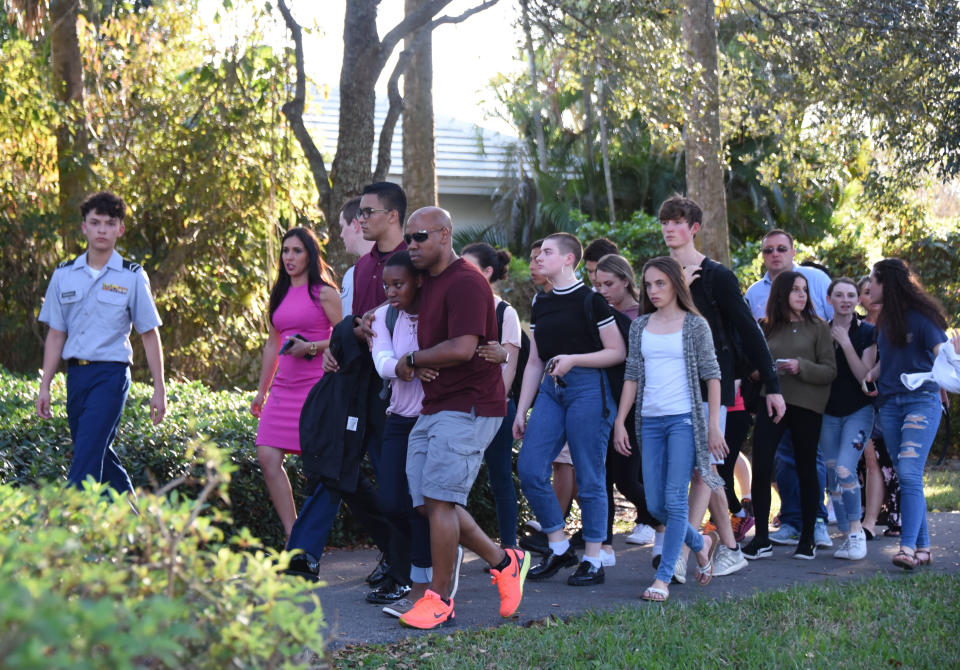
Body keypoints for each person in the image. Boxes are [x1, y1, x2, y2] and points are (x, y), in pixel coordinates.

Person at [397, 207, 529, 629]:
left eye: (419, 237)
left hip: (470, 404)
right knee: (428, 502)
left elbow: (462, 347)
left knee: (439, 501)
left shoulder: (467, 281)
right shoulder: (428, 281)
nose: (412, 245)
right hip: (436, 404)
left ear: (444, 234)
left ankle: (440, 600)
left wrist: (413, 359)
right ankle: (503, 561)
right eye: (408, 238)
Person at [658, 195, 785, 579]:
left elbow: (749, 331)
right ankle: (728, 546)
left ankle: (682, 550)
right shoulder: (661, 272)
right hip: (672, 384)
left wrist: (773, 385)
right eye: (665, 221)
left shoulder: (718, 277)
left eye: (677, 221)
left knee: (703, 470)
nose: (669, 228)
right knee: (700, 471)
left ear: (694, 228)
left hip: (716, 384)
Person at [286, 183, 408, 583]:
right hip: (356, 387)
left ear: (391, 215)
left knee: (393, 486)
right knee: (338, 471)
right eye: (359, 215)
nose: (360, 221)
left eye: (367, 213)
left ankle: (407, 565)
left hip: (402, 391)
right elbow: (351, 324)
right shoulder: (359, 270)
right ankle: (390, 556)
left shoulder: (414, 261)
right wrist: (334, 346)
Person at [514, 232, 627, 586]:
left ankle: (593, 559)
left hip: (588, 389)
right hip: (550, 388)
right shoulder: (540, 302)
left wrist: (574, 359)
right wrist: (521, 410)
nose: (538, 258)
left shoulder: (591, 301)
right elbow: (534, 361)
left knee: (591, 476)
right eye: (538, 252)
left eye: (547, 252)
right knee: (530, 467)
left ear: (567, 260)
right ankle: (559, 546)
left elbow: (616, 352)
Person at [36, 191, 166, 497]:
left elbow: (149, 332)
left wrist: (160, 389)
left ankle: (68, 529)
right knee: (96, 454)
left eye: (110, 223)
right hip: (76, 377)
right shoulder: (64, 275)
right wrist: (45, 385)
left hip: (111, 376)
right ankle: (140, 528)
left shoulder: (132, 276)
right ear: (84, 227)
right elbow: (56, 334)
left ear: (120, 229)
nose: (102, 229)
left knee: (84, 462)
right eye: (95, 222)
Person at [612, 256, 724, 602]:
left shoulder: (695, 325)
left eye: (660, 283)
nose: (653, 290)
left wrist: (714, 426)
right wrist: (620, 420)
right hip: (650, 422)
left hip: (684, 422)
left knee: (675, 500)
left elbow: (713, 376)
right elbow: (631, 375)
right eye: (648, 284)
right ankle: (701, 541)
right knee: (657, 505)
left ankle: (663, 578)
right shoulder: (640, 325)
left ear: (676, 283)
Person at [744, 228, 833, 550]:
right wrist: (758, 373)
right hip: (772, 403)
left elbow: (829, 371)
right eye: (795, 290)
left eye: (804, 290)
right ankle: (762, 539)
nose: (802, 294)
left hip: (807, 405)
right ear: (781, 294)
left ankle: (809, 535)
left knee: (808, 467)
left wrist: (801, 367)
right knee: (764, 466)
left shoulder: (819, 327)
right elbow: (751, 367)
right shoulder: (766, 327)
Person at [251, 227, 341, 539]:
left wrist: (311, 348)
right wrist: (262, 390)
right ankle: (294, 535)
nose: (289, 257)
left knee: (317, 469)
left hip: (315, 389)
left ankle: (312, 537)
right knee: (267, 456)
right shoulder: (279, 292)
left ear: (311, 255)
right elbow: (273, 343)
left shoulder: (325, 293)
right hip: (282, 390)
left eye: (297, 251)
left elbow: (345, 340)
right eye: (285, 251)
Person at [864, 259, 948, 569]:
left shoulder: (923, 319)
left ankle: (907, 548)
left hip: (920, 403)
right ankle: (924, 548)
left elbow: (944, 358)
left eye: (873, 280)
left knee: (910, 474)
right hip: (890, 405)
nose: (868, 286)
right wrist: (872, 373)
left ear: (889, 283)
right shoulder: (886, 321)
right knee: (906, 475)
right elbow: (890, 359)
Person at [367, 251, 434, 615]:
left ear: (419, 281)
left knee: (422, 505)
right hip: (399, 418)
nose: (391, 291)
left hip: (433, 420)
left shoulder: (438, 312)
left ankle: (419, 582)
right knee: (393, 502)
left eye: (399, 284)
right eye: (387, 285)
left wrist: (416, 361)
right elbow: (381, 361)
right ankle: (414, 569)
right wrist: (406, 366)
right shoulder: (383, 315)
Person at [594, 254, 660, 551]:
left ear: (626, 281)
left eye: (609, 284)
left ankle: (663, 521)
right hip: (603, 402)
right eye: (597, 284)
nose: (603, 290)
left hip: (639, 404)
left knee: (627, 478)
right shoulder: (598, 312)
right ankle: (602, 542)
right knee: (603, 476)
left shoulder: (644, 314)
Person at [463, 242, 522, 549]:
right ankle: (454, 548)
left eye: (468, 266)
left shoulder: (504, 312)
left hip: (495, 408)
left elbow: (508, 370)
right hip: (458, 408)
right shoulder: (456, 306)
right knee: (458, 482)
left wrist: (490, 408)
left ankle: (509, 549)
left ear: (487, 272)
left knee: (500, 478)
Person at [819, 277, 877, 560]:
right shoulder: (820, 331)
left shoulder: (867, 332)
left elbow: (863, 376)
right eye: (839, 295)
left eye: (851, 295)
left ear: (858, 300)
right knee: (833, 474)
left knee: (845, 469)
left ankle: (856, 533)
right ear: (829, 299)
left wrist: (844, 343)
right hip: (828, 413)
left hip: (859, 410)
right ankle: (845, 533)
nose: (845, 300)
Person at [857, 275, 901, 539]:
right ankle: (870, 519)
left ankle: (898, 517)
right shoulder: (860, 329)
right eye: (865, 292)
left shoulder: (898, 325)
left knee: (897, 460)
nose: (870, 296)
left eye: (873, 290)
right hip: (868, 402)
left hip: (896, 399)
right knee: (872, 460)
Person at [338, 197, 374, 316]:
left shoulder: (387, 269)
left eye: (342, 227)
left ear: (355, 225)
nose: (341, 235)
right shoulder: (350, 274)